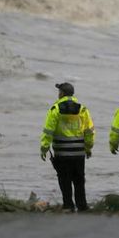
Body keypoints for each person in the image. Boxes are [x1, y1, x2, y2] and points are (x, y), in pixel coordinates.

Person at [40, 82, 94, 211]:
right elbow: (89, 131)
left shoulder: (55, 109)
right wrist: (88, 148)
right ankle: (82, 205)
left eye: (59, 91)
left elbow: (48, 131)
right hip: (79, 152)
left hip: (62, 152)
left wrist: (44, 148)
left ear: (62, 94)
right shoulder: (82, 109)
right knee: (79, 179)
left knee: (64, 179)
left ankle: (68, 205)